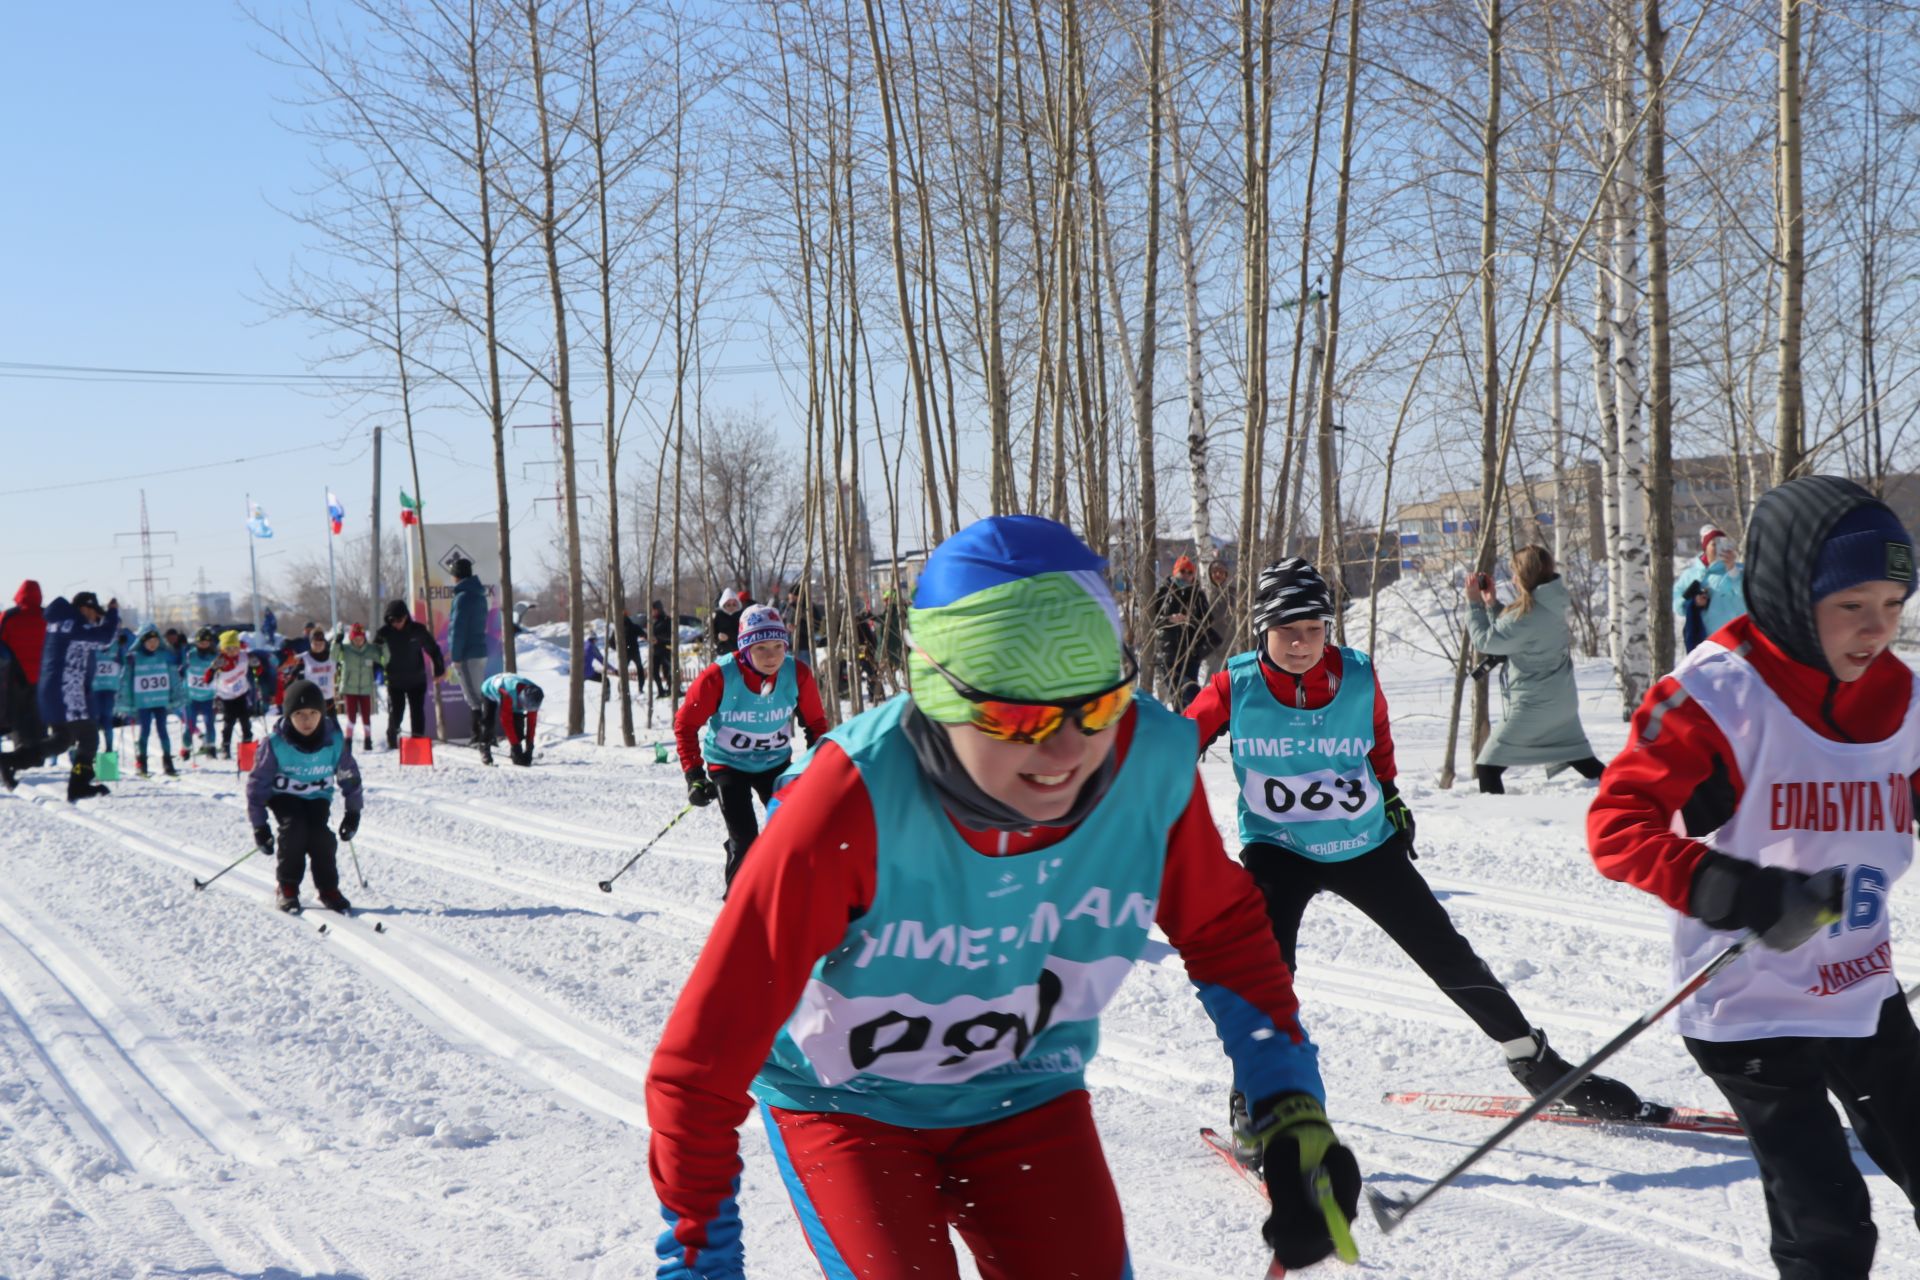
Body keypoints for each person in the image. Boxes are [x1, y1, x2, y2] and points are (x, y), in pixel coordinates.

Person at [647, 515, 1360, 1280]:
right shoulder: (849, 801)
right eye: (1015, 716)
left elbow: (1222, 930)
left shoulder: (1143, 759)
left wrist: (1287, 1102)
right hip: (847, 1109)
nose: (1064, 752)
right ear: (936, 695)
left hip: (1024, 1092)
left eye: (1095, 704)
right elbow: (698, 1070)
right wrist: (700, 1259)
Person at [1589, 476, 1920, 1280]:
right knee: (1829, 1225)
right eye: (1851, 606)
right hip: (1748, 1006)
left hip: (1858, 985)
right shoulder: (1717, 692)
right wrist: (1741, 892)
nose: (1877, 628)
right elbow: (1616, 829)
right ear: (1785, 594)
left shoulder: (1903, 697)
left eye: (1894, 602)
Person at [1185, 556, 1644, 1131]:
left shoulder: (1355, 673)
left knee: (1444, 951)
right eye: (1286, 632)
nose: (1301, 644)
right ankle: (1255, 1095)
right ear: (1263, 631)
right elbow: (1178, 743)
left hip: (1362, 843)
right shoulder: (1238, 685)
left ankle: (1533, 1060)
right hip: (1278, 848)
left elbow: (1377, 741)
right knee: (1265, 972)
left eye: (1313, 630)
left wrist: (1392, 796)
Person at [674, 604, 828, 890]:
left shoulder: (798, 674)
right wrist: (694, 775)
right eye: (761, 648)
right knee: (745, 838)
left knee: (794, 830)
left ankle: (790, 892)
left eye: (777, 646)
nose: (772, 657)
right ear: (745, 649)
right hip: (728, 765)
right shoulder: (718, 676)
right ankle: (738, 902)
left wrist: (817, 765)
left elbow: (816, 725)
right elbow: (685, 724)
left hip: (775, 764)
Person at [1465, 545, 1604, 794]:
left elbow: (1487, 641)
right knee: (1584, 761)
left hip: (1534, 705)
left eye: (1516, 573)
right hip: (1561, 701)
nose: (1513, 579)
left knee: (1488, 764)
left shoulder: (1527, 614)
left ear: (1526, 575)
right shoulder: (1552, 604)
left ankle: (1496, 823)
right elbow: (1516, 634)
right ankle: (1634, 793)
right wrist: (1492, 605)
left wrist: (1474, 605)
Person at [247, 678, 364, 914]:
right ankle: (287, 887)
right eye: (299, 714)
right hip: (283, 796)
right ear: (288, 716)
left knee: (321, 836)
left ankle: (328, 888)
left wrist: (353, 813)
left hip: (317, 796)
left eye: (312, 713)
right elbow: (257, 786)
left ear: (322, 713)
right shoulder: (275, 744)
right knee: (295, 829)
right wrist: (260, 827)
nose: (307, 720)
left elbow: (349, 777)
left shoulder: (333, 741)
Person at [31, 592, 119, 802]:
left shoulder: (76, 628)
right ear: (85, 609)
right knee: (90, 736)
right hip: (77, 695)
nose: (95, 620)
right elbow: (104, 639)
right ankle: (86, 778)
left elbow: (109, 648)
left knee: (94, 733)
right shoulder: (79, 629)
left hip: (96, 694)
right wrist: (112, 616)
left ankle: (97, 774)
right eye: (94, 615)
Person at [377, 600, 445, 747]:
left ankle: (418, 743)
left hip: (417, 680)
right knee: (396, 712)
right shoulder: (384, 634)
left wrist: (439, 669)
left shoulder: (418, 630)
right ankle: (392, 738)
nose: (397, 623)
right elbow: (373, 655)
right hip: (395, 681)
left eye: (400, 620)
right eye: (392, 620)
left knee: (417, 712)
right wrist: (375, 672)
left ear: (406, 616)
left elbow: (433, 649)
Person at [1673, 523, 1749, 653]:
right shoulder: (1691, 574)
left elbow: (1747, 597)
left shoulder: (1739, 570)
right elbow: (1677, 604)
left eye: (1723, 544)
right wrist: (1693, 603)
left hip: (1734, 642)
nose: (1720, 549)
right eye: (1714, 544)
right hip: (1704, 643)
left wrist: (1732, 570)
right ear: (1705, 547)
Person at [119, 623, 182, 778]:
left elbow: (174, 677)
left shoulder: (164, 656)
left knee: (163, 731)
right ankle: (142, 764)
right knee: (144, 732)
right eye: (149, 642)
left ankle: (168, 763)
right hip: (144, 702)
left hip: (160, 700)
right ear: (143, 642)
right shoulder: (135, 658)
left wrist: (177, 694)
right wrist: (125, 700)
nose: (153, 644)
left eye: (155, 641)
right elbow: (126, 680)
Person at [1153, 554, 1212, 706]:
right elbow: (1152, 619)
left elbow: (1208, 620)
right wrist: (1169, 619)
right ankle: (1183, 723)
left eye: (1189, 572)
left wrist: (1190, 620)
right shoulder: (1164, 592)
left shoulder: (1197, 594)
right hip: (1168, 652)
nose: (1185, 575)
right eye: (1182, 571)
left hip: (1191, 652)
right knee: (1181, 692)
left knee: (1188, 695)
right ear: (1175, 572)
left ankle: (1188, 724)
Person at [445, 557, 490, 746]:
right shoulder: (479, 595)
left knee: (473, 697)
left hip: (467, 654)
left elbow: (458, 629)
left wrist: (455, 656)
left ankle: (480, 736)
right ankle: (483, 735)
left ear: (456, 576)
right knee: (478, 694)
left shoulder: (462, 597)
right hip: (479, 650)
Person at [0, 580, 47, 759]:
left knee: (18, 716)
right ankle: (39, 752)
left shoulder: (9, 616)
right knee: (38, 715)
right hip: (42, 676)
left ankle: (20, 751)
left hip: (16, 676)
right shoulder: (47, 616)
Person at [199, 630, 257, 758]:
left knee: (245, 721)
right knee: (229, 723)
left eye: (234, 648)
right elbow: (207, 679)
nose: (232, 651)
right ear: (223, 649)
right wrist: (213, 668)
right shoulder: (221, 660)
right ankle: (226, 747)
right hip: (226, 697)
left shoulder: (244, 656)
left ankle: (247, 748)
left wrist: (256, 664)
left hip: (242, 693)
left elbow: (258, 669)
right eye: (228, 648)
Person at [334, 622, 382, 751]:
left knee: (366, 715)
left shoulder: (370, 650)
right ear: (351, 638)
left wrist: (382, 645)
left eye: (361, 638)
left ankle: (368, 740)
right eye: (356, 638)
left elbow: (382, 659)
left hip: (365, 688)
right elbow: (333, 656)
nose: (359, 641)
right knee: (351, 716)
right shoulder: (346, 650)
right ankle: (348, 740)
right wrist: (337, 640)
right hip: (350, 688)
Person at [480, 671, 544, 767]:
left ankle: (515, 753)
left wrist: (529, 747)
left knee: (519, 726)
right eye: (526, 706)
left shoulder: (534, 696)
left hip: (515, 698)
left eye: (529, 708)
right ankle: (484, 747)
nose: (528, 709)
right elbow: (507, 722)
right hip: (489, 690)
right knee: (489, 722)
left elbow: (532, 723)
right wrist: (516, 747)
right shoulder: (508, 694)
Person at [178, 627, 221, 760]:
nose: (203, 645)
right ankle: (186, 748)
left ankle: (211, 747)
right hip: (191, 698)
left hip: (208, 697)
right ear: (196, 642)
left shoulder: (214, 656)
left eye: (206, 642)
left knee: (210, 724)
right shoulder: (190, 655)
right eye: (201, 642)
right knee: (190, 726)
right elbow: (181, 667)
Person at [89, 627, 131, 758]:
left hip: (110, 690)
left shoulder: (117, 648)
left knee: (107, 720)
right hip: (95, 690)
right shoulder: (93, 648)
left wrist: (124, 646)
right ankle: (92, 751)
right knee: (94, 721)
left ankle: (109, 750)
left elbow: (127, 661)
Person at [1199, 559, 1237, 678]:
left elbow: (1233, 621)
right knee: (1212, 679)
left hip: (1228, 645)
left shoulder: (1232, 594)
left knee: (1226, 679)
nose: (1218, 575)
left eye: (1221, 572)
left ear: (1226, 574)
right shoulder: (1204, 593)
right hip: (1210, 645)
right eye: (1215, 572)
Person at [648, 600, 674, 699]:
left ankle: (671, 689)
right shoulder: (653, 621)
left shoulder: (667, 620)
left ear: (657, 609)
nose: (652, 612)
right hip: (655, 651)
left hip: (665, 649)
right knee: (654, 672)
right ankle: (661, 690)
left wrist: (658, 639)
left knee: (667, 671)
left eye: (653, 610)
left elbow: (670, 635)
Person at [710, 588, 744, 656]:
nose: (731, 607)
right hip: (723, 651)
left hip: (739, 651)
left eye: (734, 604)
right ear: (723, 604)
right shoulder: (718, 615)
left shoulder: (742, 615)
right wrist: (718, 637)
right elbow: (710, 633)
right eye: (728, 605)